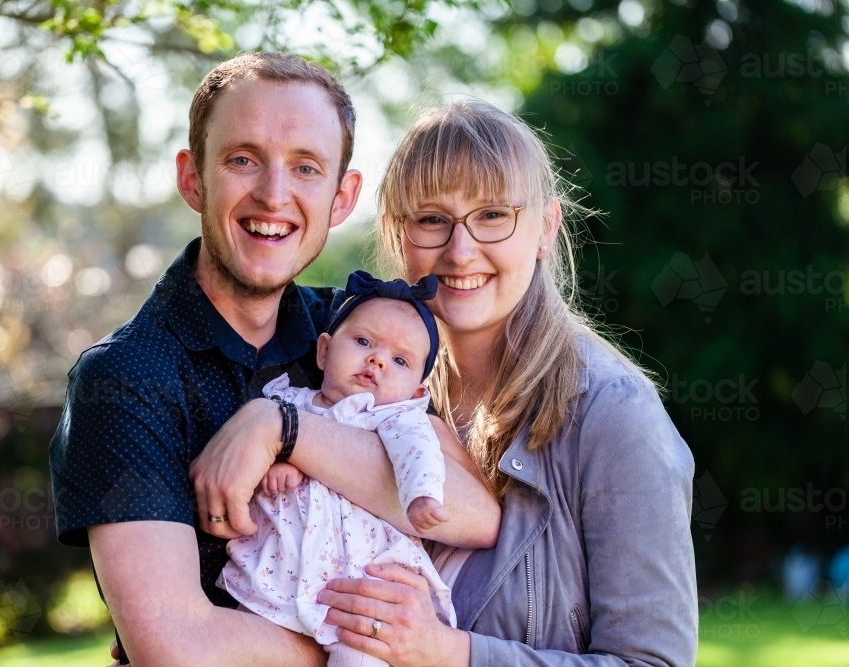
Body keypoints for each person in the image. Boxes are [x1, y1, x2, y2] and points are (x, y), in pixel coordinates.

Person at [193, 100, 698, 666]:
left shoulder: (613, 413)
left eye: (492, 216)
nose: (460, 251)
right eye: (431, 219)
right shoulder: (357, 374)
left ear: (545, 228)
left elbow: (654, 662)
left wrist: (447, 652)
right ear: (398, 234)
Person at [49, 53, 500, 667]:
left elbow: (471, 515)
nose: (273, 194)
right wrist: (366, 646)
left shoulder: (360, 333)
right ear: (193, 179)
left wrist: (281, 429)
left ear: (343, 198)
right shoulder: (126, 379)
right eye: (242, 159)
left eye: (305, 167)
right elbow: (176, 647)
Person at [220, 271, 456, 667]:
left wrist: (421, 495)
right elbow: (244, 457)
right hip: (279, 577)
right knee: (244, 643)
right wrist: (277, 465)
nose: (377, 359)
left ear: (416, 393)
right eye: (363, 342)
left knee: (361, 656)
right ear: (324, 351)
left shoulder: (395, 420)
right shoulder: (285, 402)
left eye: (399, 360)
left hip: (361, 586)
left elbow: (418, 452)